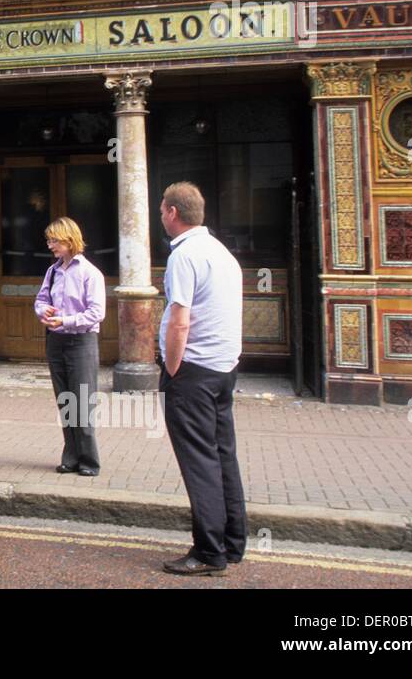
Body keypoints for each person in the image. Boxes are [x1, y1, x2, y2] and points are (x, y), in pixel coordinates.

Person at [157, 181, 248, 576]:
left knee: (199, 462)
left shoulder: (185, 255)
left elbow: (180, 320)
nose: (161, 216)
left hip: (193, 372)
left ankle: (209, 552)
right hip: (223, 369)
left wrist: (172, 367)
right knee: (222, 454)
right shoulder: (221, 252)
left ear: (173, 213)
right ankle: (232, 542)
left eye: (162, 210)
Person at [34, 217, 106, 477]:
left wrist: (65, 319)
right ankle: (71, 456)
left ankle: (89, 460)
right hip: (56, 340)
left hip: (81, 342)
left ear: (69, 240)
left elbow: (97, 313)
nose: (50, 245)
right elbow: (41, 298)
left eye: (54, 240)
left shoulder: (89, 273)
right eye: (49, 240)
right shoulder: (53, 271)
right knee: (65, 401)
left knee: (82, 401)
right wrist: (43, 311)